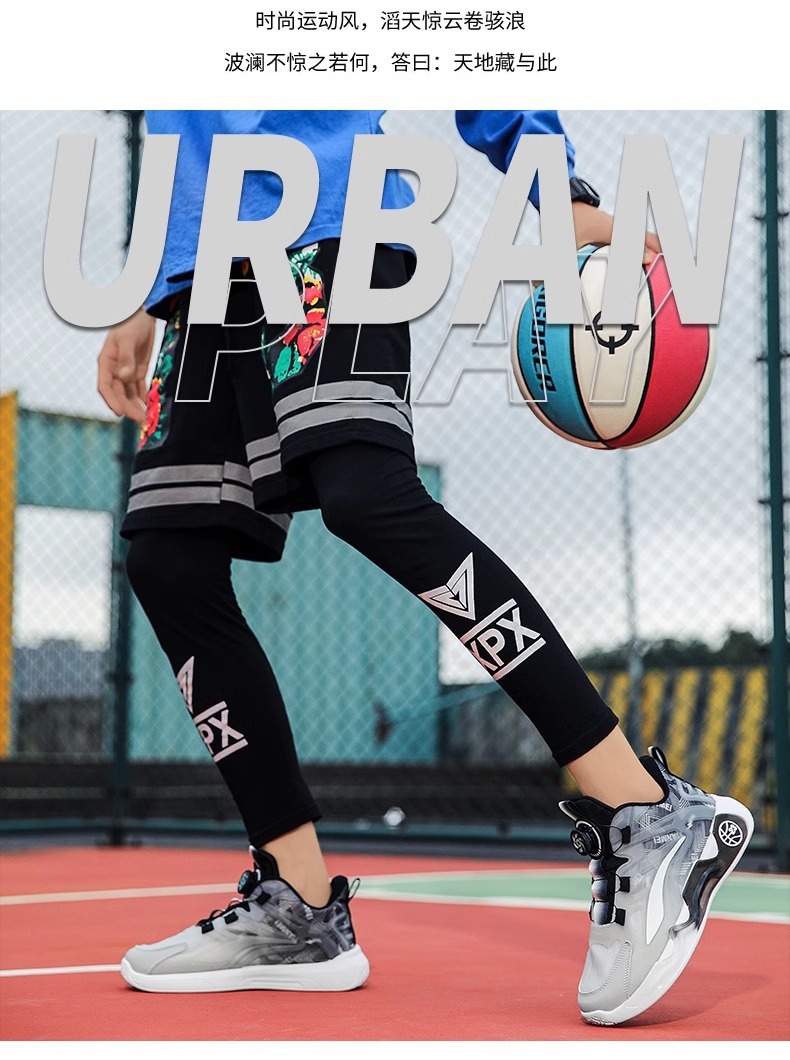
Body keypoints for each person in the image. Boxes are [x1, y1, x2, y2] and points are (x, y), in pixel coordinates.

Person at [97, 110, 751, 1024]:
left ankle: (644, 809)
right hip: (200, 279)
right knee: (169, 559)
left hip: (333, 224)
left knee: (368, 495)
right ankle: (299, 907)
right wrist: (148, 287)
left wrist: (555, 192)